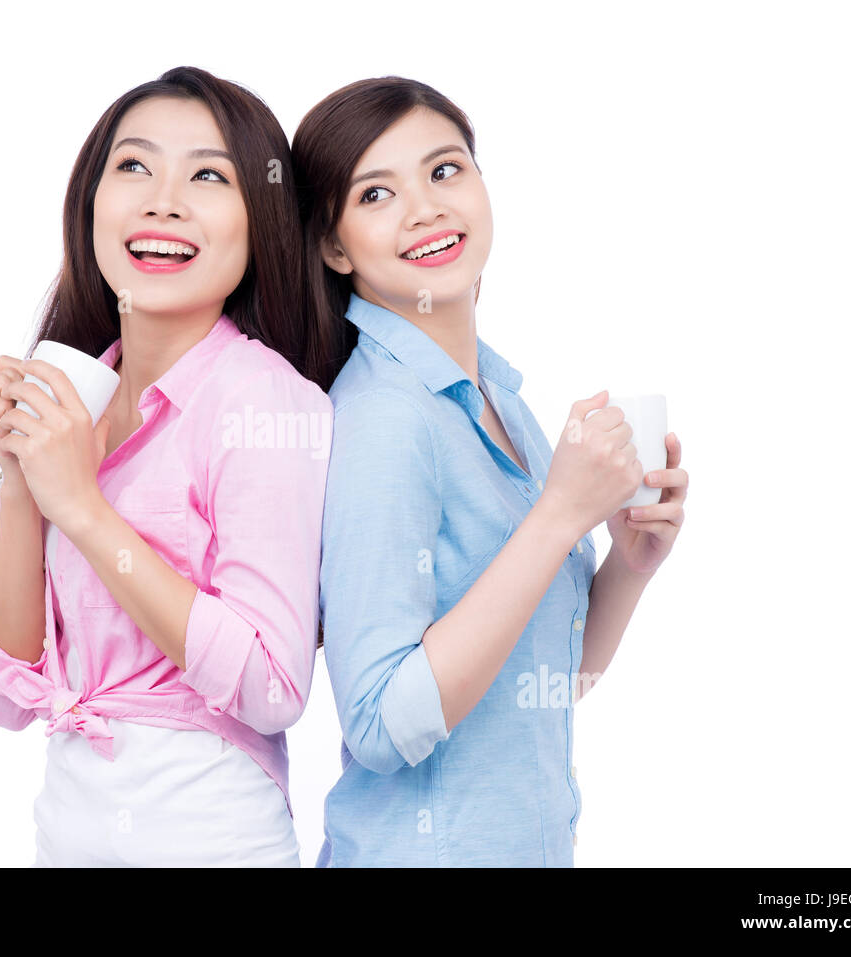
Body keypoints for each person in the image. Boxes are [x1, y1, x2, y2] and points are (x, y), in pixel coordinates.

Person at [292, 76, 689, 866]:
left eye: (445, 171)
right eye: (377, 193)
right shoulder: (385, 418)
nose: (426, 208)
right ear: (334, 245)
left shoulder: (499, 403)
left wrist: (627, 568)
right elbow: (379, 723)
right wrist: (556, 517)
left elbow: (542, 688)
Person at [0, 66, 335, 866]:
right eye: (133, 166)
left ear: (258, 219)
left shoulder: (265, 400)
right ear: (90, 204)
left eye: (208, 174)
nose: (163, 199)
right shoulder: (78, 396)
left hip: (207, 836)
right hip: (66, 835)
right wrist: (28, 483)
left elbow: (274, 685)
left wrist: (88, 512)